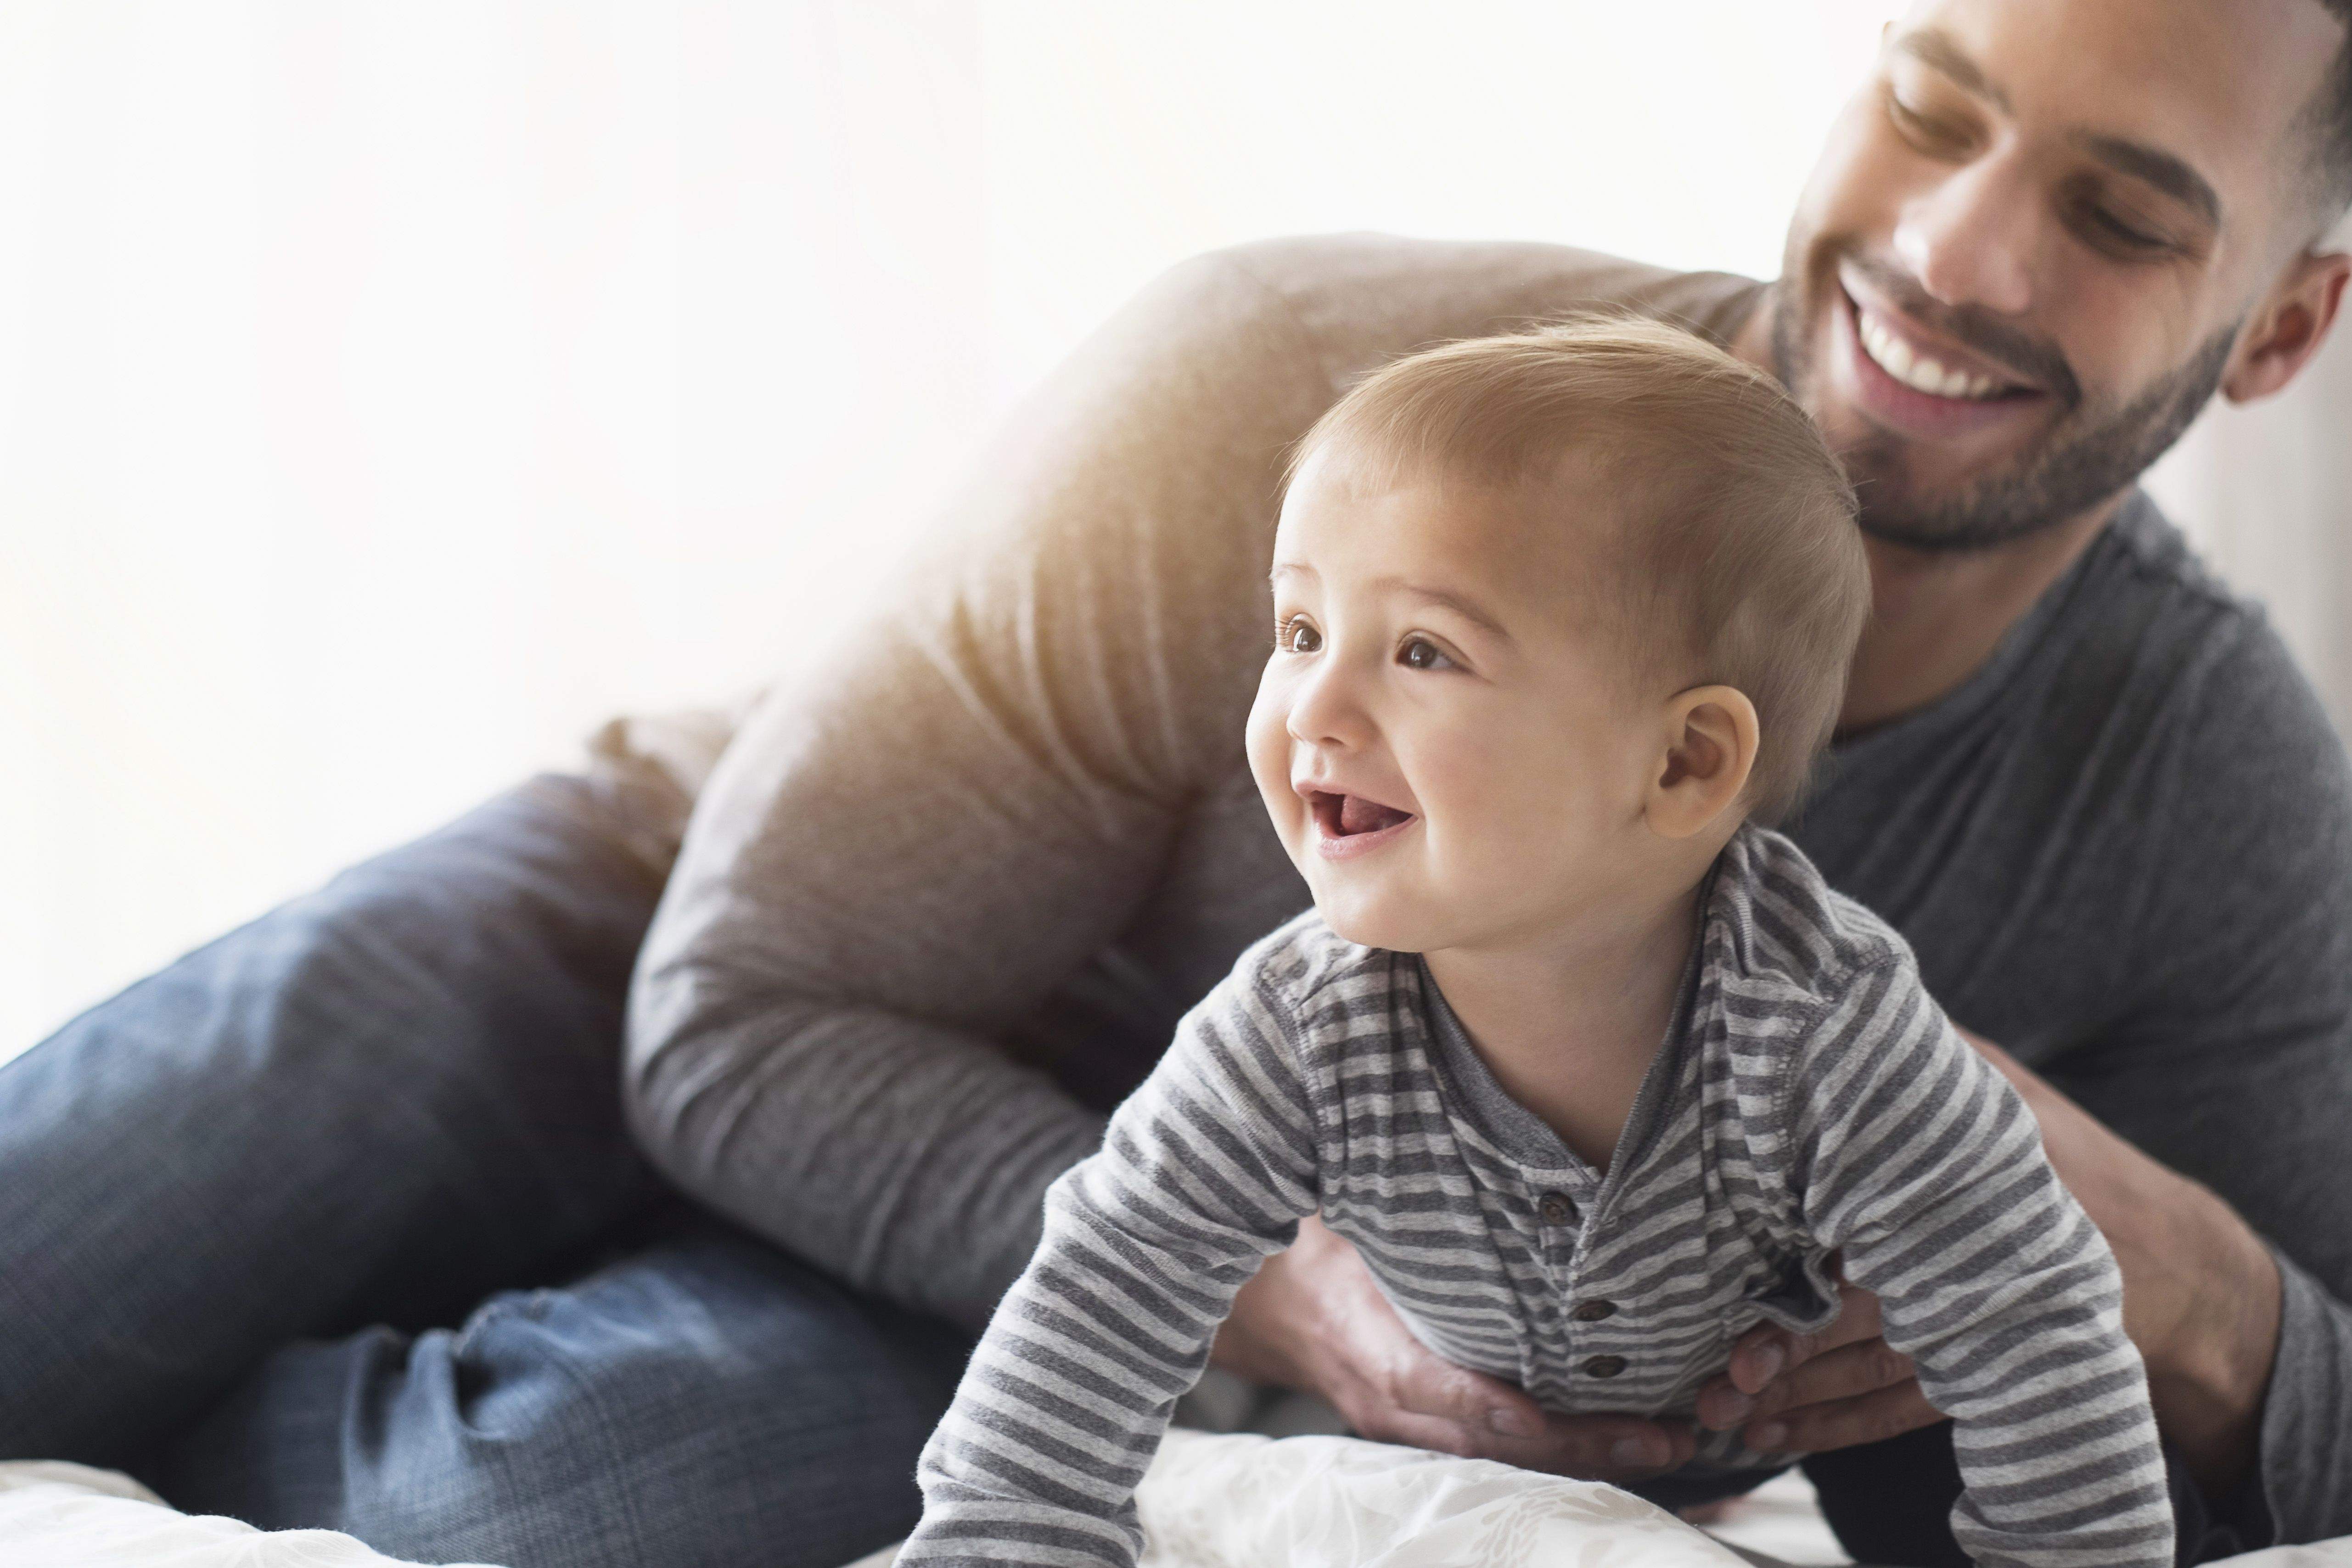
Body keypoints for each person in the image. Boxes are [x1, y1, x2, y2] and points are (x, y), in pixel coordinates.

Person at [4, 0, 2349, 1565]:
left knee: (575, 1500)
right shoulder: (1305, 388)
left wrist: (2215, 1299)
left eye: (2126, 214)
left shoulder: (2203, 788)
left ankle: (228, 1407)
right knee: (43, 1257)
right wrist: (1306, 1295)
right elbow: (744, 1004)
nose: (1951, 250)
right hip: (716, 925)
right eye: (1932, 103)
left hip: (1075, 1256)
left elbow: (2313, 1399)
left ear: (2280, 325)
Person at [903, 320, 2175, 1568]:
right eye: (1298, 632)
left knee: (1940, 1453)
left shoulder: (1821, 1028)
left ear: (1681, 762)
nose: (1316, 708)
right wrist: (999, 1539)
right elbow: (1111, 1275)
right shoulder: (1298, 1023)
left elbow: (2029, 1314)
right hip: (1452, 1429)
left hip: (1774, 1421)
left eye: (1421, 651)